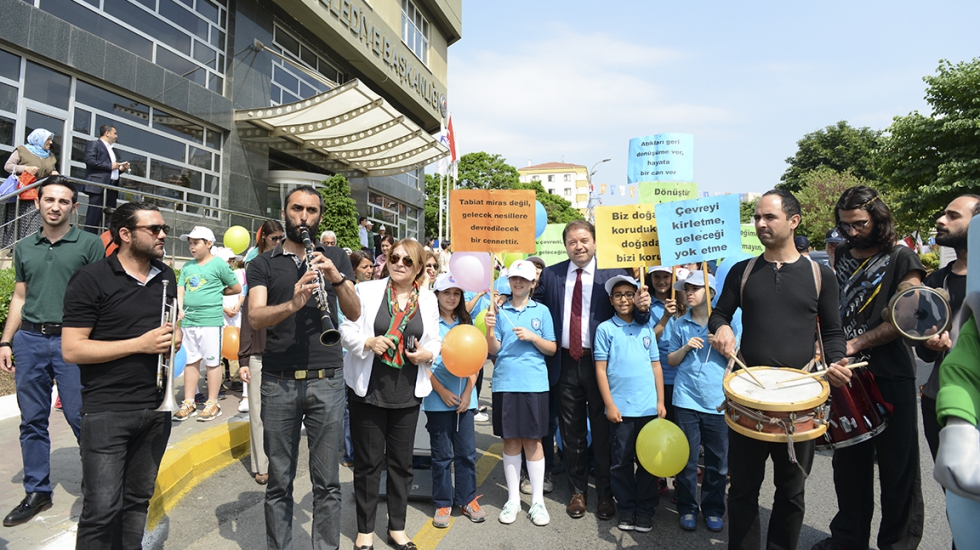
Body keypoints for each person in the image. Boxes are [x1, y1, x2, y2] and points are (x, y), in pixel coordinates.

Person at [709, 189, 852, 550]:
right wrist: (722, 328)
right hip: (749, 398)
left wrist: (836, 361)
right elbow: (719, 314)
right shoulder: (743, 272)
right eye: (757, 217)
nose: (761, 223)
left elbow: (832, 331)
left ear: (793, 221)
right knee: (742, 489)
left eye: (769, 217)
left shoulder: (821, 276)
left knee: (790, 492)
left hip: (799, 401)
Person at [813, 186, 926, 550]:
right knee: (849, 466)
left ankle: (897, 544)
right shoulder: (844, 253)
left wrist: (856, 343)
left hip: (890, 374)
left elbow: (908, 315)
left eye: (859, 224)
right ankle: (848, 540)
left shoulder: (903, 257)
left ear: (879, 218)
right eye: (845, 225)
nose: (852, 232)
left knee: (898, 469)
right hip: (847, 376)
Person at [61, 201, 180, 547]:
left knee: (137, 502)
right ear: (125, 234)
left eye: (164, 229)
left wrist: (175, 336)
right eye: (153, 229)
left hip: (155, 409)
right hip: (107, 410)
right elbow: (72, 349)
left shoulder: (166, 276)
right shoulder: (91, 278)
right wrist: (139, 344)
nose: (162, 235)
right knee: (101, 510)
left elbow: (171, 329)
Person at [247, 187, 359, 549]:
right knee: (279, 482)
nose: (304, 217)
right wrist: (293, 304)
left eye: (311, 210)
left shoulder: (336, 256)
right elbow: (255, 317)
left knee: (327, 484)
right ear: (285, 213)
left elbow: (355, 311)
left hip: (328, 380)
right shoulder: (263, 263)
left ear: (319, 216)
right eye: (297, 209)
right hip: (278, 381)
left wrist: (337, 278)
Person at [0, 177, 103, 527]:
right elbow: (20, 297)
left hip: (71, 342)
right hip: (29, 341)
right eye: (49, 200)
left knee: (80, 417)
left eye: (63, 201)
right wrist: (6, 341)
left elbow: (100, 297)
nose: (55, 206)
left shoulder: (89, 244)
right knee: (32, 420)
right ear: (38, 203)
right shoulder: (25, 246)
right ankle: (37, 491)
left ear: (74, 207)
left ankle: (97, 490)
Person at [534, 220, 651, 521]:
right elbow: (535, 308)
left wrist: (642, 308)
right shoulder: (552, 274)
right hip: (564, 362)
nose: (579, 246)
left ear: (595, 242)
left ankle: (605, 493)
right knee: (570, 431)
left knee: (603, 431)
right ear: (565, 246)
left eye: (584, 240)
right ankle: (577, 491)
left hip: (601, 364)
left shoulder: (612, 275)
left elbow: (635, 318)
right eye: (572, 242)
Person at [340, 238, 440, 550]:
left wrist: (427, 354)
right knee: (368, 464)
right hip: (369, 391)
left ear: (418, 267)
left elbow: (434, 340)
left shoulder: (428, 299)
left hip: (407, 393)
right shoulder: (367, 290)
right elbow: (346, 330)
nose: (398, 264)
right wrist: (367, 343)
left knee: (401, 465)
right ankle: (365, 531)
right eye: (394, 257)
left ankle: (397, 528)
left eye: (407, 261)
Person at [916, 194, 980, 550]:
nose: (941, 220)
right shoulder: (935, 280)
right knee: (957, 497)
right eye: (943, 214)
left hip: (975, 401)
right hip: (939, 399)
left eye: (953, 216)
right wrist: (931, 343)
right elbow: (921, 349)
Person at [486, 260, 557, 526]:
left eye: (524, 279)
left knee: (533, 441)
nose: (518, 283)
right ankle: (513, 499)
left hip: (534, 384)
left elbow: (552, 348)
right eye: (514, 278)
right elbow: (493, 349)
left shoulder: (542, 311)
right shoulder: (499, 311)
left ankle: (537, 501)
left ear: (533, 283)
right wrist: (490, 328)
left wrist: (533, 337)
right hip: (505, 383)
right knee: (511, 441)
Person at [594, 275, 665, 534]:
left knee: (648, 462)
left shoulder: (647, 328)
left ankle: (645, 509)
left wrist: (660, 401)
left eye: (628, 294)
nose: (624, 299)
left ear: (636, 298)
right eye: (618, 295)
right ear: (611, 301)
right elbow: (600, 370)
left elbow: (656, 365)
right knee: (621, 461)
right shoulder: (605, 329)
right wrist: (609, 405)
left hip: (648, 408)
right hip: (621, 410)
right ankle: (626, 506)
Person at [668, 271, 733, 533]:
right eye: (687, 289)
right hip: (685, 399)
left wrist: (723, 347)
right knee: (686, 459)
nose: (689, 293)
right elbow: (671, 361)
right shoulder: (680, 323)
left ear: (712, 292)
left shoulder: (727, 325)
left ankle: (714, 509)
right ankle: (687, 508)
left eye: (695, 288)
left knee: (718, 462)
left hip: (718, 401)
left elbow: (740, 361)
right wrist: (685, 348)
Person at [423, 273, 485, 528]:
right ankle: (442, 502)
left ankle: (467, 499)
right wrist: (441, 391)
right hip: (437, 400)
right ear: (436, 295)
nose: (451, 297)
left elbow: (476, 360)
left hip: (465, 400)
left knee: (467, 454)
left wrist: (469, 393)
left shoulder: (466, 323)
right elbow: (422, 365)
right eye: (446, 292)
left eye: (456, 293)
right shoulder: (428, 324)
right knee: (441, 456)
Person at [173, 226, 242, 422]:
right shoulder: (187, 267)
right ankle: (189, 401)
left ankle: (213, 403)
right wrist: (180, 308)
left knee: (212, 362)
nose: (192, 247)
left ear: (209, 243)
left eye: (196, 243)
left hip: (210, 321)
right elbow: (181, 289)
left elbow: (236, 287)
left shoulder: (219, 264)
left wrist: (217, 292)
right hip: (189, 321)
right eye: (190, 243)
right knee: (191, 361)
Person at [237, 220, 284, 484]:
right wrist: (243, 357)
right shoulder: (255, 265)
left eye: (281, 238)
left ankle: (279, 461)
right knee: (257, 411)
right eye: (274, 238)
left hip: (282, 349)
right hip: (258, 350)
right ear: (263, 237)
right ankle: (261, 465)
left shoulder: (286, 265)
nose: (278, 242)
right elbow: (248, 314)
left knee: (281, 413)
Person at [4, 129, 60, 243]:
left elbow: (49, 169)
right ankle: (13, 247)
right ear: (39, 139)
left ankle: (30, 246)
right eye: (48, 139)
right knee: (18, 222)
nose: (50, 142)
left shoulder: (50, 155)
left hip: (39, 195)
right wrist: (25, 168)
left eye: (51, 140)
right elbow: (8, 166)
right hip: (22, 192)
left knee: (34, 223)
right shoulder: (22, 150)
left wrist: (53, 173)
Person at [83, 125, 130, 234]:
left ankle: (106, 241)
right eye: (115, 133)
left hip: (111, 187)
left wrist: (121, 169)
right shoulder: (94, 144)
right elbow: (89, 160)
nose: (116, 136)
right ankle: (89, 241)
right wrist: (110, 166)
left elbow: (111, 171)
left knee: (110, 219)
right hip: (98, 187)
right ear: (107, 133)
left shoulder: (112, 150)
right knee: (93, 218)